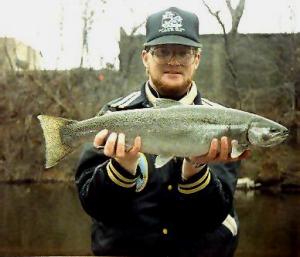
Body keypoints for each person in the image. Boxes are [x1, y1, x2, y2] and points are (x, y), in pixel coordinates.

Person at [75, 6, 250, 257]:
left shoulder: (224, 123)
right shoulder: (114, 115)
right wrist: (121, 168)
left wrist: (196, 170)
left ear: (197, 59)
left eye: (184, 52)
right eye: (163, 51)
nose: (174, 60)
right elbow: (95, 207)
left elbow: (212, 217)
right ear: (145, 57)